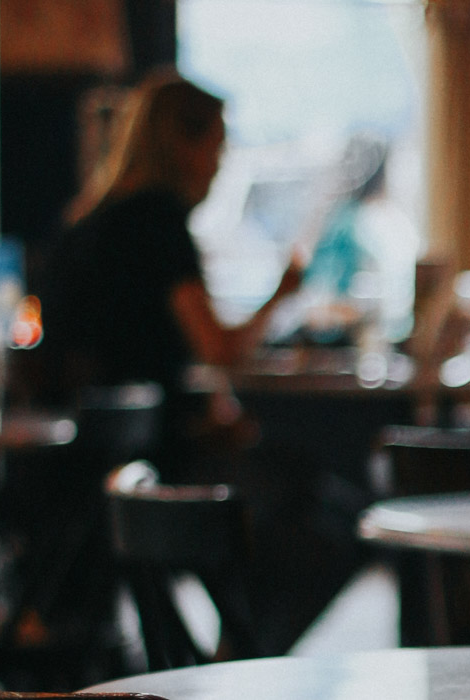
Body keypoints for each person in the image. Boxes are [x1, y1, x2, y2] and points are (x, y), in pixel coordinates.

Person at [39, 69, 303, 474]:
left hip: (81, 459)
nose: (218, 167)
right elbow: (219, 351)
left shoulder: (84, 224)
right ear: (183, 147)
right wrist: (282, 294)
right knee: (302, 481)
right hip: (149, 461)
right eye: (217, 149)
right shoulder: (159, 223)